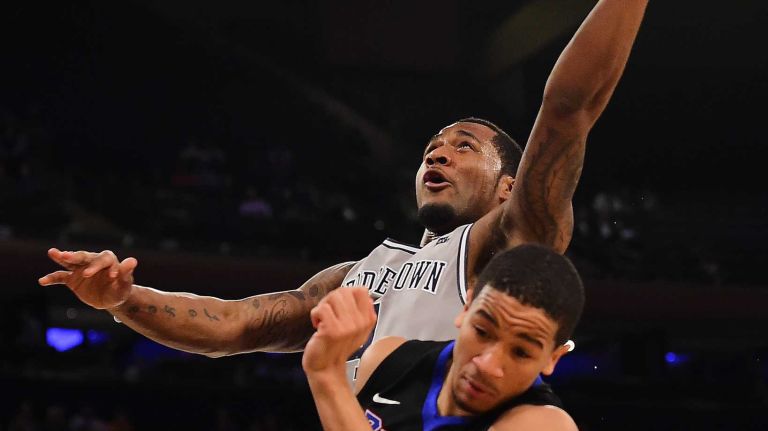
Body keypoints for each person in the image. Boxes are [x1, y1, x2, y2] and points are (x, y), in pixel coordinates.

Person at [38, 0, 647, 379]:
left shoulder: (509, 247)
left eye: (465, 146)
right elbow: (235, 325)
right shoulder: (359, 274)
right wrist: (122, 299)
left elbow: (566, 110)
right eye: (434, 144)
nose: (438, 151)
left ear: (509, 185)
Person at [302, 244, 584, 430]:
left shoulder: (544, 424)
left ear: (553, 358)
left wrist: (326, 372)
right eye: (482, 332)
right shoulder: (388, 359)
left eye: (521, 352)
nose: (488, 364)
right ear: (466, 308)